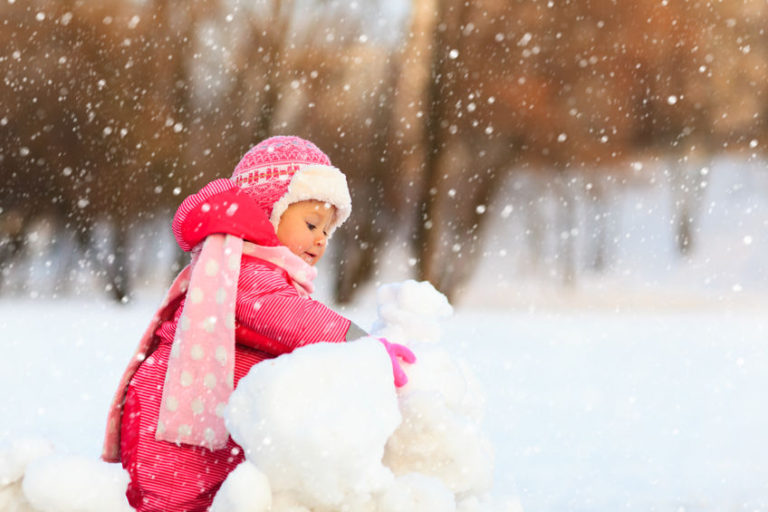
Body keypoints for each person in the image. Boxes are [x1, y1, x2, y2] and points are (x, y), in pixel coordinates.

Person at [101, 136, 415, 511]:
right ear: (270, 210)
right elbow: (293, 319)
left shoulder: (247, 266)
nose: (320, 240)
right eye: (311, 224)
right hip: (171, 423)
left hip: (198, 421)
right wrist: (362, 346)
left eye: (327, 231)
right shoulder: (243, 268)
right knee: (174, 500)